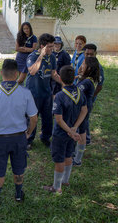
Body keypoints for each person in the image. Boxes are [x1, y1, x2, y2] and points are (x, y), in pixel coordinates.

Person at [0, 59, 38, 206]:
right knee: (19, 167)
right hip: (19, 137)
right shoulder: (25, 93)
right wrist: (29, 133)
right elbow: (34, 118)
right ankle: (18, 195)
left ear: (1, 73)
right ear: (17, 74)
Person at [43, 65, 87, 194]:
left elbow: (58, 119)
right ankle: (66, 180)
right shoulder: (80, 92)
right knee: (69, 155)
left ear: (60, 78)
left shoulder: (60, 96)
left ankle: (57, 187)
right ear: (74, 78)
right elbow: (84, 111)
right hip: (72, 132)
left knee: (59, 160)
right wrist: (75, 128)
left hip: (61, 133)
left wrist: (70, 131)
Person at [25, 33, 62, 149]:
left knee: (47, 118)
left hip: (47, 93)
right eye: (50, 46)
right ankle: (29, 139)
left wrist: (64, 83)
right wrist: (41, 56)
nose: (53, 48)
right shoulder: (32, 57)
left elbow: (53, 74)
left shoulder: (52, 57)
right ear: (42, 46)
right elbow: (32, 71)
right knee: (32, 117)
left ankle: (45, 137)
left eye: (53, 46)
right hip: (33, 94)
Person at [74, 57, 100, 166]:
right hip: (85, 107)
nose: (81, 65)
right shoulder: (88, 79)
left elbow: (75, 92)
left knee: (81, 131)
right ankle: (76, 154)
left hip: (83, 109)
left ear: (89, 68)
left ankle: (78, 159)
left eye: (83, 64)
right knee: (81, 129)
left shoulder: (86, 82)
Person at [83, 43, 105, 145]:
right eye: (86, 54)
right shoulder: (84, 62)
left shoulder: (97, 67)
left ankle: (86, 139)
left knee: (84, 118)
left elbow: (99, 86)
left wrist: (91, 97)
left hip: (88, 99)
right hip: (81, 97)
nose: (88, 56)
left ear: (95, 53)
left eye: (91, 54)